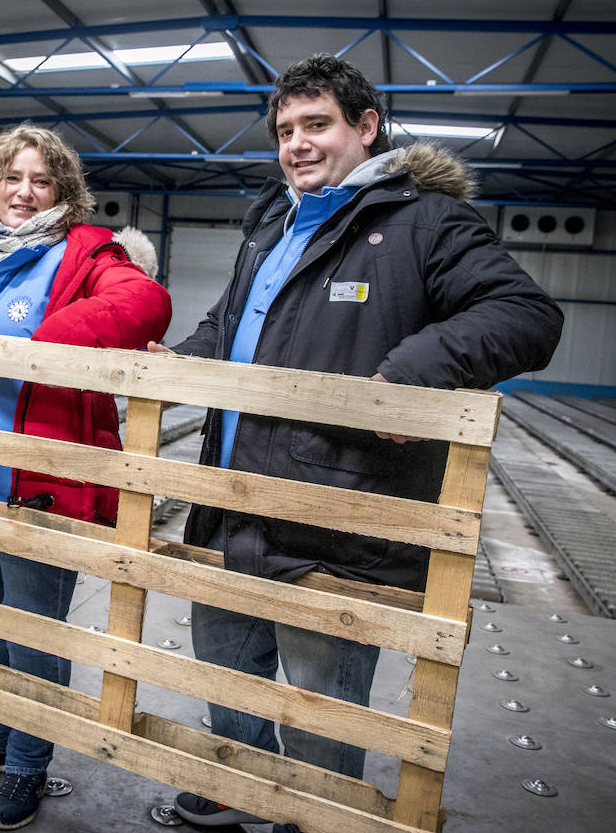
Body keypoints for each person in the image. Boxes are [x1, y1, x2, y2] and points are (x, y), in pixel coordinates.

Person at [153, 54, 563, 831]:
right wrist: (187, 360)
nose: (297, 145)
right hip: (230, 498)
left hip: (333, 518)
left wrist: (414, 370)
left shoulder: (425, 223)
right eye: (285, 131)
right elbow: (230, 324)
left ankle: (314, 817)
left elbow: (526, 314)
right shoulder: (271, 223)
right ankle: (237, 786)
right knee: (228, 673)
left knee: (318, 705)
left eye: (318, 125)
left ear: (367, 127)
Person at [0, 124, 171, 829]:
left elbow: (143, 303)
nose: (24, 193)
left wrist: (35, 348)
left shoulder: (86, 254)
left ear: (64, 192)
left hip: (40, 486)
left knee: (36, 636)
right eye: (11, 178)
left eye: (42, 180)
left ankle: (29, 765)